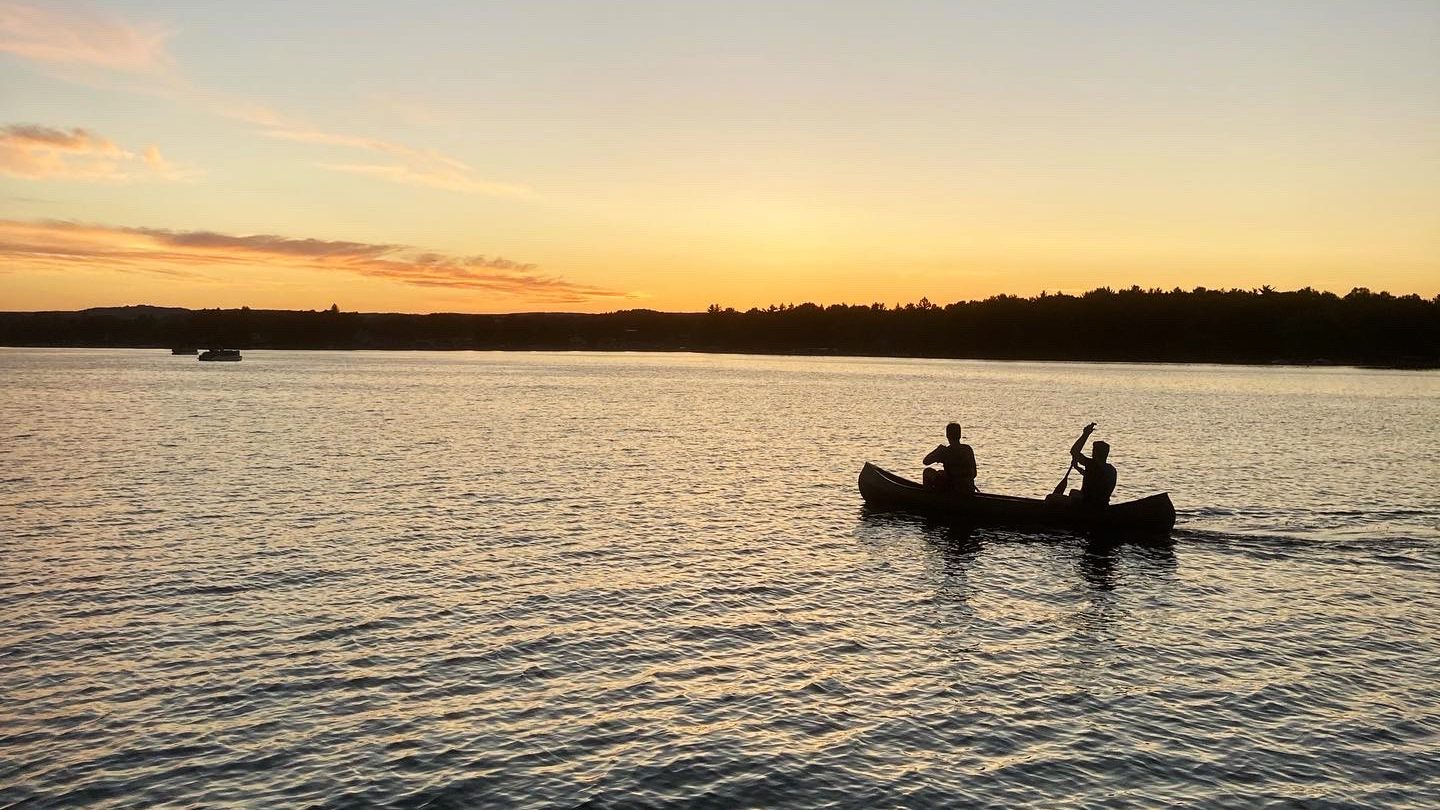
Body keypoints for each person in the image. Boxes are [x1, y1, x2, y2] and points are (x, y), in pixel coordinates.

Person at [1068, 422, 1116, 509]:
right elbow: (1093, 477)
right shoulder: (1111, 469)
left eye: (1093, 450)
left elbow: (1074, 451)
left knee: (1051, 498)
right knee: (1074, 493)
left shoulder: (1092, 465)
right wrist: (1078, 468)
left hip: (1088, 506)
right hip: (1103, 505)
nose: (1092, 452)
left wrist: (1085, 434)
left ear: (1095, 453)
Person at [922, 422, 977, 494]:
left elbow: (926, 461)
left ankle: (929, 497)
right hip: (968, 489)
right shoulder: (968, 449)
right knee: (941, 473)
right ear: (960, 435)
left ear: (947, 435)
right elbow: (974, 474)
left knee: (927, 472)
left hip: (953, 489)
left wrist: (937, 450)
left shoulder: (944, 451)